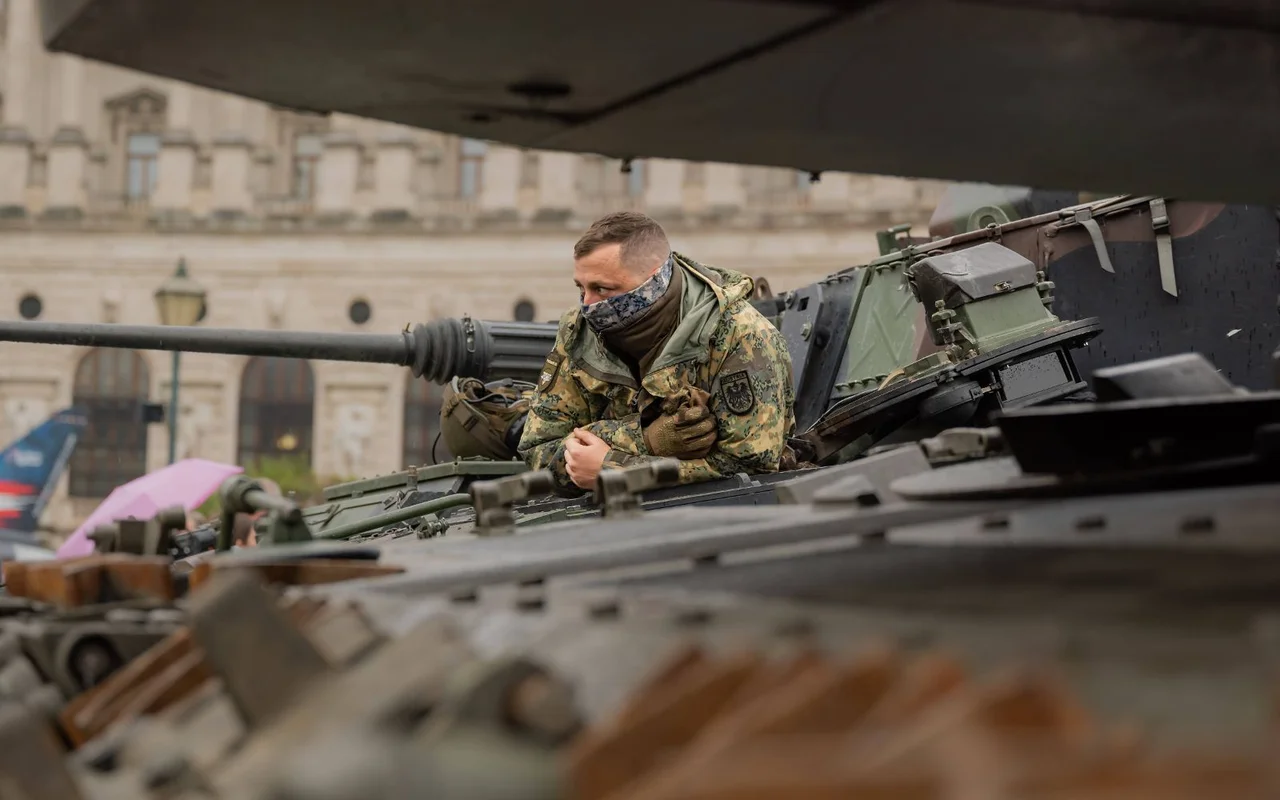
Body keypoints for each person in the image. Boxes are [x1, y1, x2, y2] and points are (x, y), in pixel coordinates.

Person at [518, 211, 795, 493]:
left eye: (602, 289)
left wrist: (615, 469)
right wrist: (645, 440)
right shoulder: (579, 333)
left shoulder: (741, 336)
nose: (588, 304)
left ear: (652, 284)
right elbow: (537, 450)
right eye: (581, 287)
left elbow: (750, 468)